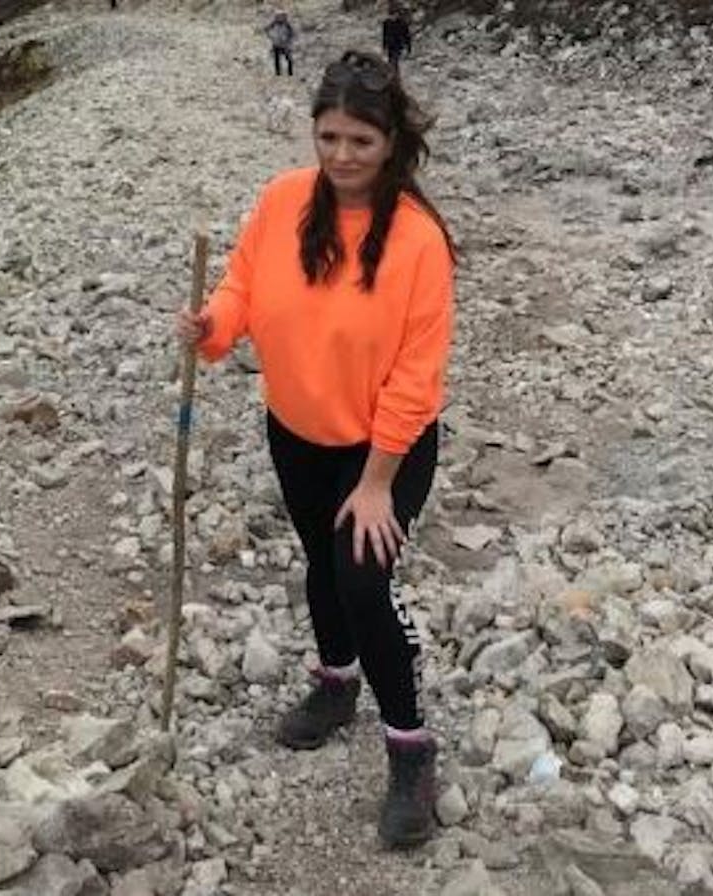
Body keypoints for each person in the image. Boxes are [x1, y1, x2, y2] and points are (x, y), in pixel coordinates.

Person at [175, 50, 455, 848]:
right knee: (319, 562)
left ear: (392, 142)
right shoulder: (281, 201)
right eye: (327, 135)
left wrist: (375, 484)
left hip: (384, 449)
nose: (340, 155)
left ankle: (409, 745)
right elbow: (241, 284)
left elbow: (416, 376)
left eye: (360, 140)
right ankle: (336, 681)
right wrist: (214, 329)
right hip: (295, 430)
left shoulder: (419, 241)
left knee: (364, 578)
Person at [264, 12, 296, 77]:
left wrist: (288, 41)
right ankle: (278, 73)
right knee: (277, 59)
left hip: (284, 45)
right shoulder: (274, 24)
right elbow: (266, 29)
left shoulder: (287, 25)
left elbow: (292, 34)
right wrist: (271, 37)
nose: (280, 19)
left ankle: (290, 73)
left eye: (282, 17)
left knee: (289, 59)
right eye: (278, 17)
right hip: (276, 44)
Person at [382, 4, 412, 72]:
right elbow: (384, 35)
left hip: (398, 44)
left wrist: (408, 47)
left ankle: (394, 74)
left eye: (394, 14)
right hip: (390, 45)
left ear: (397, 14)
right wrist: (384, 47)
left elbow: (407, 36)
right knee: (391, 60)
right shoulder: (386, 23)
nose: (393, 17)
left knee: (394, 60)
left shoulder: (402, 23)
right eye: (391, 15)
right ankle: (393, 74)